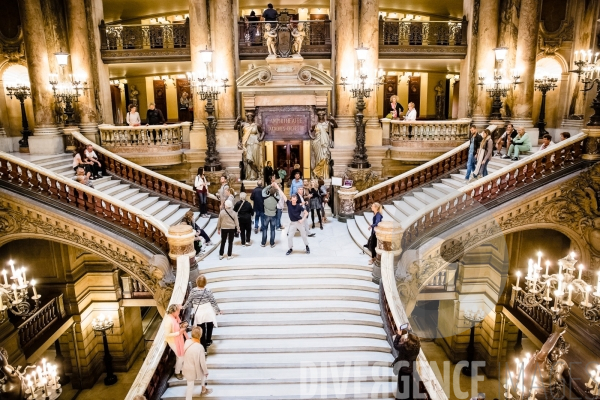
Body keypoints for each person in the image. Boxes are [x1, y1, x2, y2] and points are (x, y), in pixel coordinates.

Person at [183, 275, 222, 352]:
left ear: (197, 282)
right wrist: (218, 310)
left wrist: (183, 307)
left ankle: (204, 348)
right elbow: (213, 302)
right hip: (208, 311)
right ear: (205, 283)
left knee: (202, 329)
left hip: (199, 313)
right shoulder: (208, 291)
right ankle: (208, 341)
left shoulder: (193, 291)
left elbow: (188, 301)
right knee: (210, 326)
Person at [391, 325, 421, 400]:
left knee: (402, 385)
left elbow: (395, 345)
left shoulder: (405, 347)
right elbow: (414, 338)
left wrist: (398, 334)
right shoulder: (417, 346)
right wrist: (410, 330)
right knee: (409, 384)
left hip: (403, 369)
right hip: (411, 369)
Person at [278, 186, 310, 255]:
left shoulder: (298, 206)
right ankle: (290, 248)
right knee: (289, 237)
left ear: (296, 200)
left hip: (299, 222)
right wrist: (277, 187)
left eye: (295, 200)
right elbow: (283, 194)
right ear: (291, 199)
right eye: (293, 200)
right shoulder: (289, 204)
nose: (294, 201)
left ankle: (307, 246)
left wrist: (302, 219)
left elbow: (306, 212)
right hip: (292, 223)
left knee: (304, 235)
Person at [183, 326, 211, 399]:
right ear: (200, 335)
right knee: (204, 372)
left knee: (190, 386)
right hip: (193, 370)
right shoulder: (200, 347)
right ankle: (203, 390)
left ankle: (203, 390)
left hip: (186, 367)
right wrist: (206, 371)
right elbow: (202, 362)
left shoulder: (187, 342)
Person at [164, 304, 188, 380]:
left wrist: (182, 327)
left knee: (181, 356)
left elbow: (177, 326)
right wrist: (179, 333)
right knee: (180, 356)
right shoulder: (168, 320)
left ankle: (179, 369)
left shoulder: (174, 317)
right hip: (173, 341)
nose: (179, 313)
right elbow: (166, 334)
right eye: (178, 311)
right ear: (174, 311)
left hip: (178, 339)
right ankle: (177, 372)